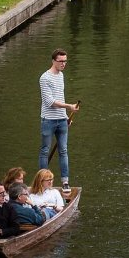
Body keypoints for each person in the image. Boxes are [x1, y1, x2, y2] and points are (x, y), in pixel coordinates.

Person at [39, 48, 77, 191]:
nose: (63, 64)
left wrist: (66, 117)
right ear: (53, 61)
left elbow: (60, 98)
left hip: (61, 120)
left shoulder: (61, 76)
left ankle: (65, 182)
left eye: (65, 61)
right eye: (61, 61)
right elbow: (50, 101)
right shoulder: (45, 78)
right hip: (48, 120)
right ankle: (43, 182)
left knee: (63, 150)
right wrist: (69, 106)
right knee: (45, 150)